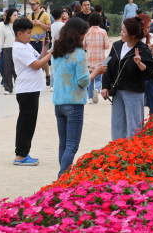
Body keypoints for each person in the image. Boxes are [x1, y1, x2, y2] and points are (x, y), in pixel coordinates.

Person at [51, 18, 107, 177]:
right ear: (78, 34)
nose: (85, 37)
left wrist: (89, 69)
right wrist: (96, 72)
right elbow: (82, 82)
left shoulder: (57, 50)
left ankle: (62, 175)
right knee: (72, 145)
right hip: (74, 103)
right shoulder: (80, 53)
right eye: (84, 33)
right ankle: (63, 177)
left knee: (63, 143)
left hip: (59, 102)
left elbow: (67, 71)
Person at [102, 17, 153, 141]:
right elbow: (107, 65)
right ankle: (116, 151)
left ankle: (133, 152)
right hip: (117, 91)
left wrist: (140, 64)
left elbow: (150, 73)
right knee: (117, 124)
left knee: (134, 125)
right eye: (121, 30)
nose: (121, 33)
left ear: (132, 34)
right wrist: (105, 86)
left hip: (134, 92)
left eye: (124, 31)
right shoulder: (116, 46)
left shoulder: (142, 50)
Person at [12, 17, 52, 166]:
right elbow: (36, 65)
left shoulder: (26, 46)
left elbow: (39, 60)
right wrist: (52, 53)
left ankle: (24, 153)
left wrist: (45, 48)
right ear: (19, 33)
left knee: (29, 122)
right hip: (27, 90)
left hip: (32, 89)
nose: (31, 35)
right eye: (29, 33)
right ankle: (20, 155)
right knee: (25, 122)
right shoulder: (19, 48)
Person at [83, 13, 109, 104]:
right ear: (100, 21)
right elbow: (107, 46)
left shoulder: (87, 32)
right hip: (100, 58)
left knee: (90, 77)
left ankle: (90, 98)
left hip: (89, 58)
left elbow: (83, 46)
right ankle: (97, 90)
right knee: (98, 78)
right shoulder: (103, 32)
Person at [27, 0, 52, 86]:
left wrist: (40, 23)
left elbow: (49, 28)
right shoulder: (30, 16)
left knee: (43, 59)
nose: (32, 6)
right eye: (31, 4)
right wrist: (31, 24)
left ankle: (47, 74)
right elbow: (26, 27)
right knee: (33, 60)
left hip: (42, 40)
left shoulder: (45, 15)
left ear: (38, 4)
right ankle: (36, 77)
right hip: (32, 40)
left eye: (34, 4)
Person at [0, 8, 18, 95]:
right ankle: (8, 88)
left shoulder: (19, 25)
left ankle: (19, 87)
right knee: (7, 69)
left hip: (17, 49)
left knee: (17, 69)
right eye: (14, 15)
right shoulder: (3, 27)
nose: (16, 17)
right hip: (7, 49)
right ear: (9, 16)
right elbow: (0, 40)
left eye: (17, 15)